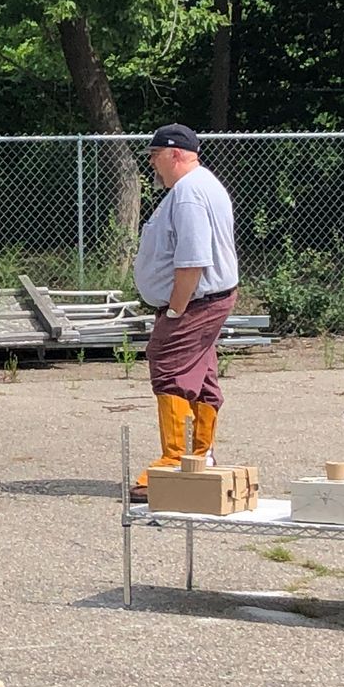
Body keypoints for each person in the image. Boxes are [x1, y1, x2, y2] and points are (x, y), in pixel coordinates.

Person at [130, 123, 238, 501]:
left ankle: (175, 460)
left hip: (195, 302)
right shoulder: (202, 185)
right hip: (207, 299)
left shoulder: (189, 193)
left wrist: (176, 310)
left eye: (155, 155)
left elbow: (192, 260)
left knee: (169, 364)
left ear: (175, 154)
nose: (152, 163)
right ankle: (200, 454)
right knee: (201, 373)